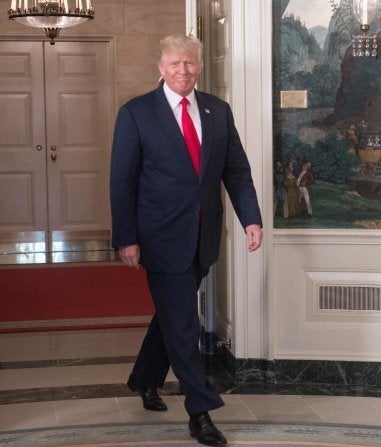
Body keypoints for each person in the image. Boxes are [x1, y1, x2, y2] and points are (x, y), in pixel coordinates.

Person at [109, 34, 263, 447]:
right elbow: (121, 183)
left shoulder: (217, 110)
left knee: (172, 315)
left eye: (190, 64)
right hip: (158, 237)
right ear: (161, 67)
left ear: (198, 66)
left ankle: (143, 378)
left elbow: (237, 170)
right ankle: (200, 411)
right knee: (184, 322)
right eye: (175, 64)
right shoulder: (137, 113)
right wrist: (126, 238)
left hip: (203, 236)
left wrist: (250, 218)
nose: (183, 71)